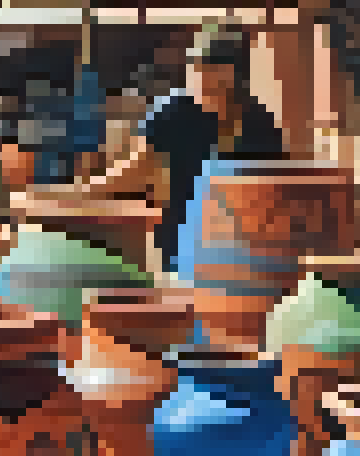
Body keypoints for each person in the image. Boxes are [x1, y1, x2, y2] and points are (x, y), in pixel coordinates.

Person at [40, 24, 286, 273]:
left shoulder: (261, 127)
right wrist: (73, 195)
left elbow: (278, 198)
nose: (194, 78)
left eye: (203, 69)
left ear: (232, 74)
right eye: (193, 68)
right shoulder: (175, 111)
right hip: (183, 254)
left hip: (246, 260)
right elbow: (135, 173)